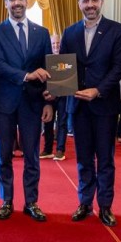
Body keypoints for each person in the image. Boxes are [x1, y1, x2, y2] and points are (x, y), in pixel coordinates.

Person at [58, 0, 121, 227]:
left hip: (104, 105)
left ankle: (106, 206)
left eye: (94, 0)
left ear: (101, 2)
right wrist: (59, 88)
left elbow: (119, 67)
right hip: (77, 106)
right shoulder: (70, 32)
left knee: (106, 159)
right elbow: (63, 68)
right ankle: (85, 203)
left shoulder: (117, 30)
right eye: (85, 1)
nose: (90, 4)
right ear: (79, 4)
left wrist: (97, 90)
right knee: (84, 158)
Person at [0, 0, 54, 222]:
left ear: (26, 1)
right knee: (4, 154)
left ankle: (31, 202)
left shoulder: (42, 32)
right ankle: (6, 200)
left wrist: (49, 102)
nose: (16, 3)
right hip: (5, 102)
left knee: (32, 155)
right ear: (5, 3)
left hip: (34, 103)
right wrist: (26, 75)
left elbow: (47, 68)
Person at [41, 33, 69, 161]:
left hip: (63, 96)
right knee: (47, 122)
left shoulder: (67, 59)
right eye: (53, 44)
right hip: (48, 97)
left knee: (62, 122)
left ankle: (60, 150)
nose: (56, 46)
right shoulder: (45, 60)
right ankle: (47, 150)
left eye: (58, 43)